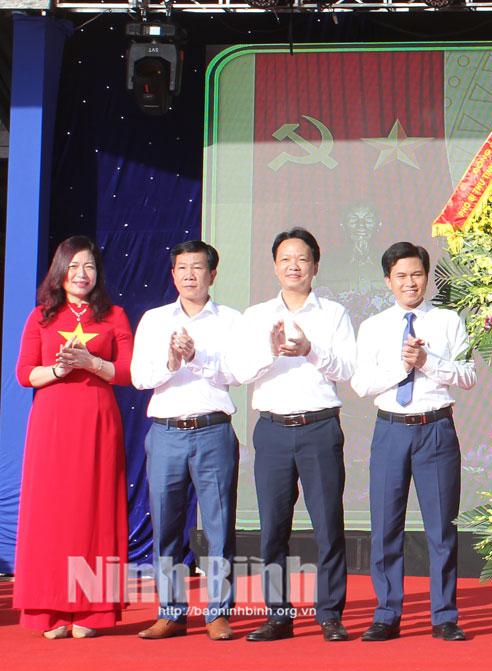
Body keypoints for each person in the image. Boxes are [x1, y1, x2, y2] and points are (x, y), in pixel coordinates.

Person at [230, 228, 356, 642]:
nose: (294, 266)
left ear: (315, 266)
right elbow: (239, 373)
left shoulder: (334, 314)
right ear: (274, 267)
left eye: (302, 259)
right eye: (285, 259)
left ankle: (330, 614)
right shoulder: (256, 316)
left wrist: (309, 351)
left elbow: (348, 369)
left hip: (319, 428)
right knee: (273, 529)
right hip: (272, 431)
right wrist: (270, 352)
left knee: (328, 526)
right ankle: (278, 615)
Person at [352, 241, 476, 642]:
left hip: (436, 429)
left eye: (417, 274)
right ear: (388, 280)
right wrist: (402, 365)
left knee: (441, 528)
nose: (410, 282)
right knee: (386, 526)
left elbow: (468, 376)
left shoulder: (448, 321)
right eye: (401, 276)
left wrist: (428, 363)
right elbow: (361, 384)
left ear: (426, 277)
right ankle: (387, 614)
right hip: (391, 429)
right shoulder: (373, 326)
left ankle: (444, 615)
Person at [14, 235, 134, 639]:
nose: (82, 274)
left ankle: (93, 611)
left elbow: (128, 372)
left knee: (95, 510)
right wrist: (60, 370)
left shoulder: (114, 316)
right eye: (75, 265)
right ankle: (48, 608)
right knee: (50, 513)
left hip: (97, 420)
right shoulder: (41, 317)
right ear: (60, 270)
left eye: (90, 266)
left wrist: (92, 362)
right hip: (51, 422)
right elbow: (24, 373)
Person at [130, 240, 241, 641]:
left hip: (213, 430)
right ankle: (170, 612)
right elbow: (140, 377)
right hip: (166, 434)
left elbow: (238, 372)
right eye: (182, 268)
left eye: (197, 267)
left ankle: (218, 613)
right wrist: (171, 362)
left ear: (213, 274)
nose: (189, 274)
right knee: (166, 527)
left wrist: (196, 358)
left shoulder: (231, 320)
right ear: (173, 274)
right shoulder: (154, 319)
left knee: (219, 526)